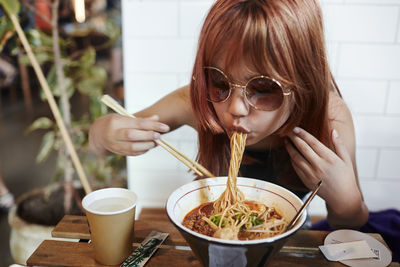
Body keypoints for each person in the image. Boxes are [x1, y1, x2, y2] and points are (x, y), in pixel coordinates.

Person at [89, 0, 369, 230]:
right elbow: (102, 139)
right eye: (220, 82)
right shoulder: (197, 100)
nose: (235, 108)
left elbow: (349, 227)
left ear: (304, 82)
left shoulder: (329, 120)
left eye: (263, 88)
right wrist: (102, 134)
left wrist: (347, 204)